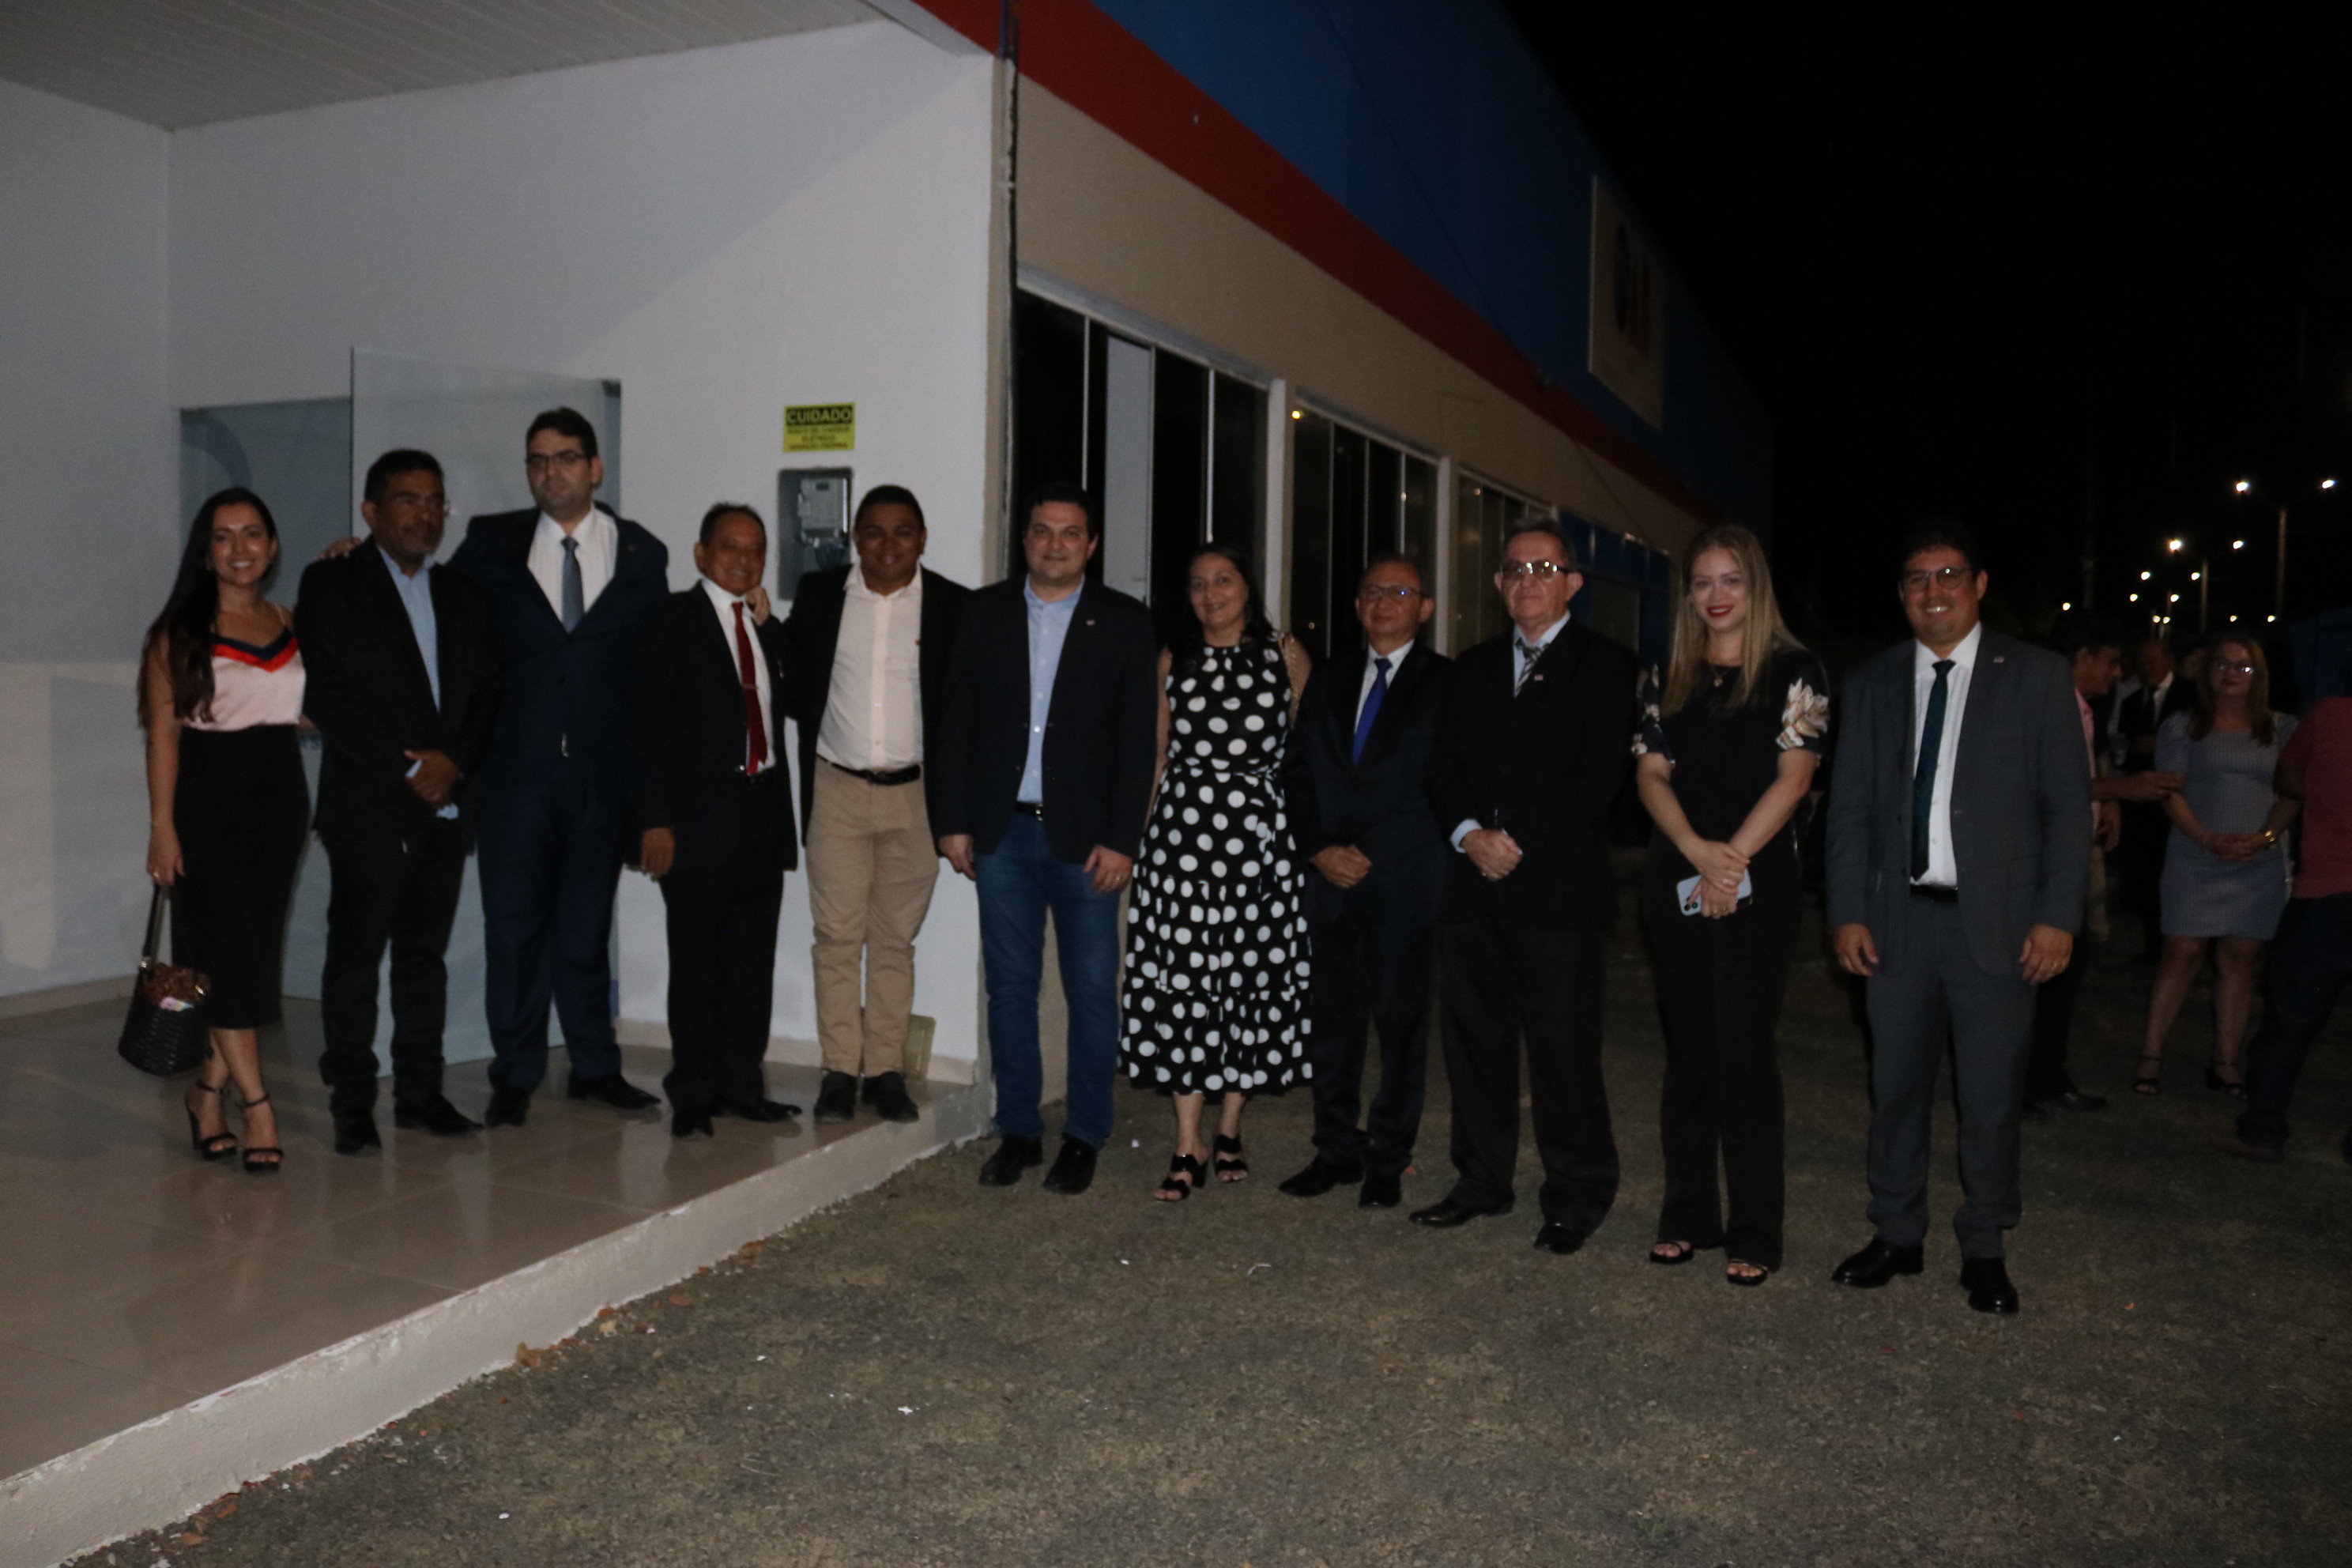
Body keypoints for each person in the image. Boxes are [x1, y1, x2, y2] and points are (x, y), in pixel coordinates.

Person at [1826, 520, 2089, 1315]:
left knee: (1992, 1097)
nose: (1932, 591)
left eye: (1948, 575)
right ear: (1902, 595)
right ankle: (1897, 1232)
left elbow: (2067, 809)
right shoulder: (1872, 682)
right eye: (1917, 579)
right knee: (1895, 1089)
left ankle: (1984, 1244)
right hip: (1897, 925)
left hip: (1999, 928)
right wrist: (1847, 911)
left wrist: (2057, 916)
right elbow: (1849, 809)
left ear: (1979, 585)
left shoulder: (2036, 676)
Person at [1415, 518, 1638, 1254]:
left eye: (1543, 568)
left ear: (1572, 582)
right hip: (1473, 889)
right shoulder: (1471, 667)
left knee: (1562, 1051)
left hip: (1558, 894)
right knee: (1475, 1046)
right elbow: (1442, 769)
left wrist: (1513, 842)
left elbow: (1598, 776)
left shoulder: (1608, 666)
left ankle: (1577, 1195)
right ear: (1498, 584)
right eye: (1515, 569)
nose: (1527, 581)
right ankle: (1481, 1181)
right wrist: (1468, 836)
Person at [931, 481, 1158, 1197]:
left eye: (1070, 533)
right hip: (1000, 836)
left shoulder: (1125, 621)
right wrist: (952, 821)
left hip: (1089, 842)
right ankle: (1020, 1132)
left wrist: (1123, 839)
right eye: (1042, 531)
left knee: (1091, 991)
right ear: (1024, 539)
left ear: (1091, 545)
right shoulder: (983, 612)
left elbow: (1138, 742)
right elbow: (954, 720)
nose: (1055, 544)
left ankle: (1085, 1134)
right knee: (1009, 988)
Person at [448, 408, 669, 1125]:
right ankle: (515, 1073)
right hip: (515, 775)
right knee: (513, 930)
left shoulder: (642, 553)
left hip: (601, 778)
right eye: (539, 460)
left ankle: (594, 1067)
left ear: (594, 468)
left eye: (567, 457)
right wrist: (359, 560)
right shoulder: (490, 544)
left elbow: (653, 674)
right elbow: (439, 613)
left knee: (584, 931)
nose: (552, 472)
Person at [1633, 525, 1829, 1287]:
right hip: (1678, 876)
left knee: (1745, 1052)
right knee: (1689, 1050)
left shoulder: (1795, 670)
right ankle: (1688, 1214)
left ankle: (1754, 1227)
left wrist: (1731, 861)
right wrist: (1696, 852)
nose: (1716, 597)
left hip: (1759, 882)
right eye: (1703, 583)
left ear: (1755, 586)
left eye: (1731, 581)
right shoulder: (1667, 676)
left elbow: (1794, 778)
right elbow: (1652, 775)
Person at [297, 450, 499, 1155]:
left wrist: (453, 765)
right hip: (369, 805)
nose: (424, 513)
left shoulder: (464, 593)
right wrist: (408, 767)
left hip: (445, 806)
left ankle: (419, 1094)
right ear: (371, 511)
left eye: (435, 500)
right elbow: (327, 693)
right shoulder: (332, 582)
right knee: (355, 960)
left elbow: (487, 696)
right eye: (407, 499)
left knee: (423, 959)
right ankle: (352, 1102)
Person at [1121, 543, 1314, 1200]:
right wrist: (1140, 839)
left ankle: (1229, 1126)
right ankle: (1188, 1142)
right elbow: (1156, 753)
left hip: (1261, 845)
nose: (1211, 594)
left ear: (1247, 587)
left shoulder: (1285, 654)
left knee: (1248, 983)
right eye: (1199, 583)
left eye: (1223, 580)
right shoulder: (1173, 658)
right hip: (1181, 845)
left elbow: (1305, 752)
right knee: (1185, 986)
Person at [780, 485, 970, 1126]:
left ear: (922, 539)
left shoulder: (952, 605)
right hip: (836, 788)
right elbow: (792, 683)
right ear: (855, 538)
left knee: (894, 941)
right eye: (874, 532)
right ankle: (839, 1069)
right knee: (836, 938)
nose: (888, 545)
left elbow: (967, 708)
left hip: (917, 796)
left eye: (902, 531)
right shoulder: (819, 595)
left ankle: (885, 1071)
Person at [141, 488, 308, 1173]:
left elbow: (308, 709)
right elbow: (163, 736)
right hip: (207, 804)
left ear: (272, 547)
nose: (240, 548)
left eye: (253, 533)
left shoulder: (290, 621)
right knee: (225, 958)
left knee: (247, 958)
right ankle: (258, 1105)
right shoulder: (178, 633)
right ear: (205, 553)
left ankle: (205, 1093)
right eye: (223, 536)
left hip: (280, 801)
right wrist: (162, 826)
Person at [1279, 555, 1452, 1209]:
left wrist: (1369, 853)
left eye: (1400, 591)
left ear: (1424, 609)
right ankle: (1334, 1148)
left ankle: (1388, 1154)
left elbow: (1443, 784)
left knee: (1401, 1027)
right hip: (1329, 880)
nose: (1384, 602)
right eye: (1372, 591)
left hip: (1404, 880)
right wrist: (1319, 849)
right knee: (1333, 1025)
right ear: (1356, 605)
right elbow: (1298, 771)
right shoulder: (1329, 678)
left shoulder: (1446, 682)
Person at [629, 505, 801, 1138]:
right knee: (698, 962)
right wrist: (654, 820)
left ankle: (741, 1086)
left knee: (750, 964)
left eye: (756, 549)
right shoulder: (671, 618)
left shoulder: (762, 626)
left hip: (761, 815)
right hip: (695, 824)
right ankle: (694, 1093)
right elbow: (643, 725)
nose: (744, 559)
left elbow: (795, 695)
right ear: (701, 554)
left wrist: (770, 625)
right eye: (730, 546)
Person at [2025, 623, 2182, 1114]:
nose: (2118, 673)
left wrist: (2107, 799)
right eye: (2111, 661)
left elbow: (2081, 774)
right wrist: (2123, 790)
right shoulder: (2051, 706)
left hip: (2067, 852)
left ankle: (2046, 1077)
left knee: (2063, 973)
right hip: (2042, 858)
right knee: (2041, 972)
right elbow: (2049, 785)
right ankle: (2023, 1082)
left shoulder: (2080, 707)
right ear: (2083, 657)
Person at [2134, 635, 2300, 1096]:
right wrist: (2205, 838)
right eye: (2222, 664)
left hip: (2257, 862)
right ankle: (2151, 1055)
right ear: (2207, 672)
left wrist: (2265, 838)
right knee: (2181, 954)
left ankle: (2226, 1062)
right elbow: (2169, 790)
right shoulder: (2184, 726)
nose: (2231, 673)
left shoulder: (2283, 728)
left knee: (2240, 962)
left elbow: (2293, 793)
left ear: (2259, 675)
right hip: (2195, 855)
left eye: (2244, 666)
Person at [2213, 693, 2352, 1163]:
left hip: (2327, 896)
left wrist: (2325, 785)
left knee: (2289, 1021)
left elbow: (2287, 777)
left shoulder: (2331, 715)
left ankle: (2262, 1130)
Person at [2114, 638, 2194, 959]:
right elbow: (2124, 745)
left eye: (2154, 661)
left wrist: (2161, 745)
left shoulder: (2190, 696)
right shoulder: (2133, 702)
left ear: (2169, 661)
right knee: (2147, 874)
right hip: (2144, 802)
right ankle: (2153, 944)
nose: (2148, 669)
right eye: (2143, 663)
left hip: (2181, 795)